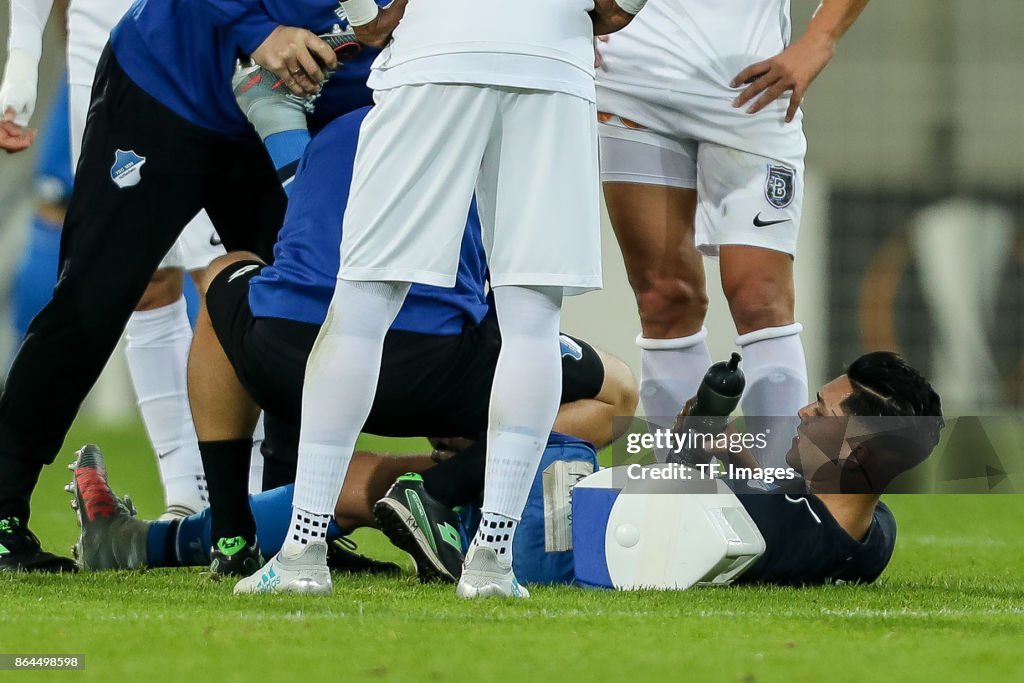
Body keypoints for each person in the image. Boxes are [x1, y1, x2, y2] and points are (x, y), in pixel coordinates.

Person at [240, 0, 646, 600]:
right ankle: (491, 565)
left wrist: (367, 14)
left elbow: (370, 13)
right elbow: (616, 8)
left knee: (363, 303)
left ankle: (303, 553)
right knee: (533, 320)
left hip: (437, 48)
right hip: (554, 60)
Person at [71, 352, 941, 589]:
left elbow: (657, 489)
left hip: (545, 540)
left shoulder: (787, 515)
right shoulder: (866, 535)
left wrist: (701, 432)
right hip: (570, 513)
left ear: (864, 447)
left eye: (824, 414)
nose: (804, 415)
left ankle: (446, 497)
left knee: (599, 402)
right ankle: (134, 542)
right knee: (362, 478)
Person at [0, 0, 347, 572]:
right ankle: (4, 506)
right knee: (94, 299)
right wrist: (259, 29)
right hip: (163, 88)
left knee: (295, 301)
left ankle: (297, 526)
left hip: (274, 108)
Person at [595, 0, 869, 467]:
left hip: (753, 90)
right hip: (628, 86)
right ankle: (683, 495)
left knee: (759, 299)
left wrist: (819, 40)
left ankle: (775, 493)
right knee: (663, 299)